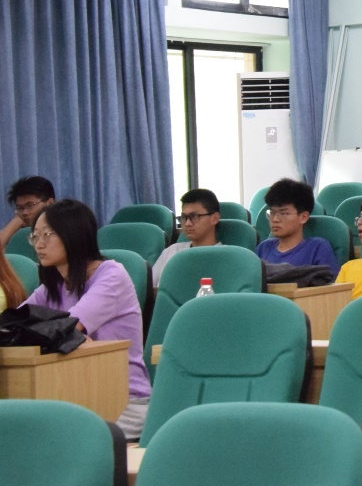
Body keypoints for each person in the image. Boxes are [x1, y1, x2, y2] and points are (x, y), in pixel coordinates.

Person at [22, 200, 150, 440]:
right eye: (35, 236)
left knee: (47, 438)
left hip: (125, 402)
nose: (39, 244)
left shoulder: (111, 275)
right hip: (73, 396)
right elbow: (13, 326)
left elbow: (67, 327)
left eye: (47, 235)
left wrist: (59, 333)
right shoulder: (52, 287)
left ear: (73, 234)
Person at [254, 179, 340, 275]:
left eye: (283, 213)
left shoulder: (317, 248)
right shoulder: (263, 248)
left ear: (303, 217)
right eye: (272, 213)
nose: (275, 219)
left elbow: (330, 283)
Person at [152, 188, 223, 286]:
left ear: (215, 218)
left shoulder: (227, 256)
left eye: (195, 217)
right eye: (184, 217)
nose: (187, 223)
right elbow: (150, 290)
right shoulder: (171, 251)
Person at [2, 175, 55, 250]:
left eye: (30, 205)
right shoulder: (16, 234)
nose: (24, 213)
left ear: (50, 203)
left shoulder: (61, 230)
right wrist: (14, 224)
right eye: (20, 208)